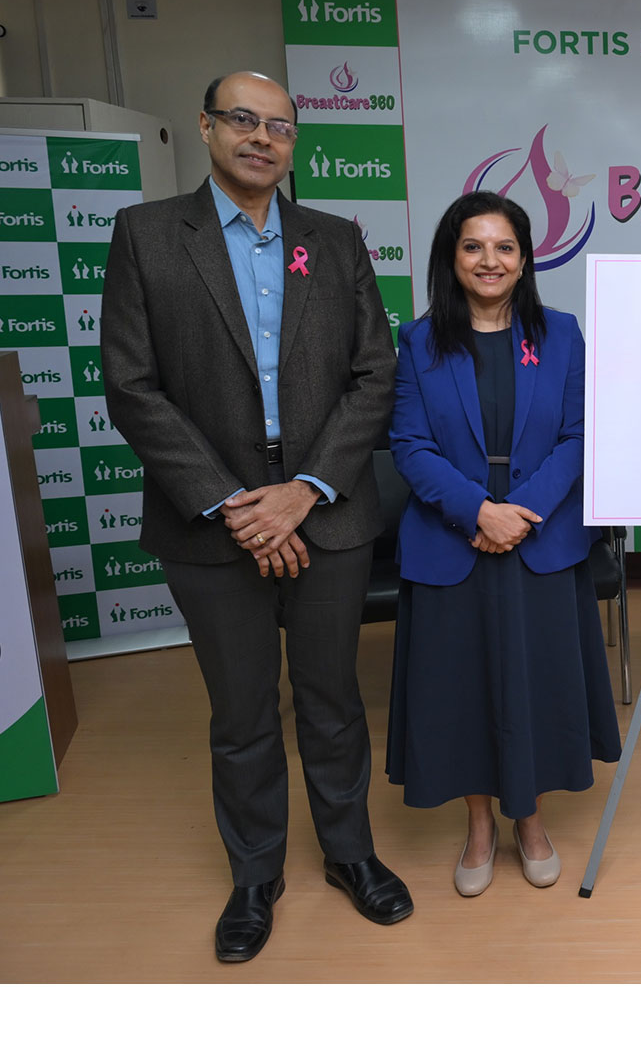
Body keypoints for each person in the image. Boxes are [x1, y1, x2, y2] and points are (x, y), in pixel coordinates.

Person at [101, 71, 412, 963]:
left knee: (332, 700)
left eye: (279, 126)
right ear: (205, 128)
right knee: (240, 710)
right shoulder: (148, 235)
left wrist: (304, 489)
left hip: (325, 506)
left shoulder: (335, 240)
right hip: (212, 517)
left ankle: (350, 854)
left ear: (293, 142)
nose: (261, 138)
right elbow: (130, 384)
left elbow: (375, 375)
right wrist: (235, 502)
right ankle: (255, 876)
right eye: (242, 119)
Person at [386, 191, 622, 896]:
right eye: (473, 246)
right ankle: (480, 825)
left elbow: (580, 435)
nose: (489, 260)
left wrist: (521, 513)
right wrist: (478, 512)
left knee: (536, 684)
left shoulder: (562, 335)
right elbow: (409, 444)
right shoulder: (419, 342)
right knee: (464, 690)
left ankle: (531, 819)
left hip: (539, 537)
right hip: (453, 538)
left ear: (524, 260)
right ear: (451, 257)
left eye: (504, 247)